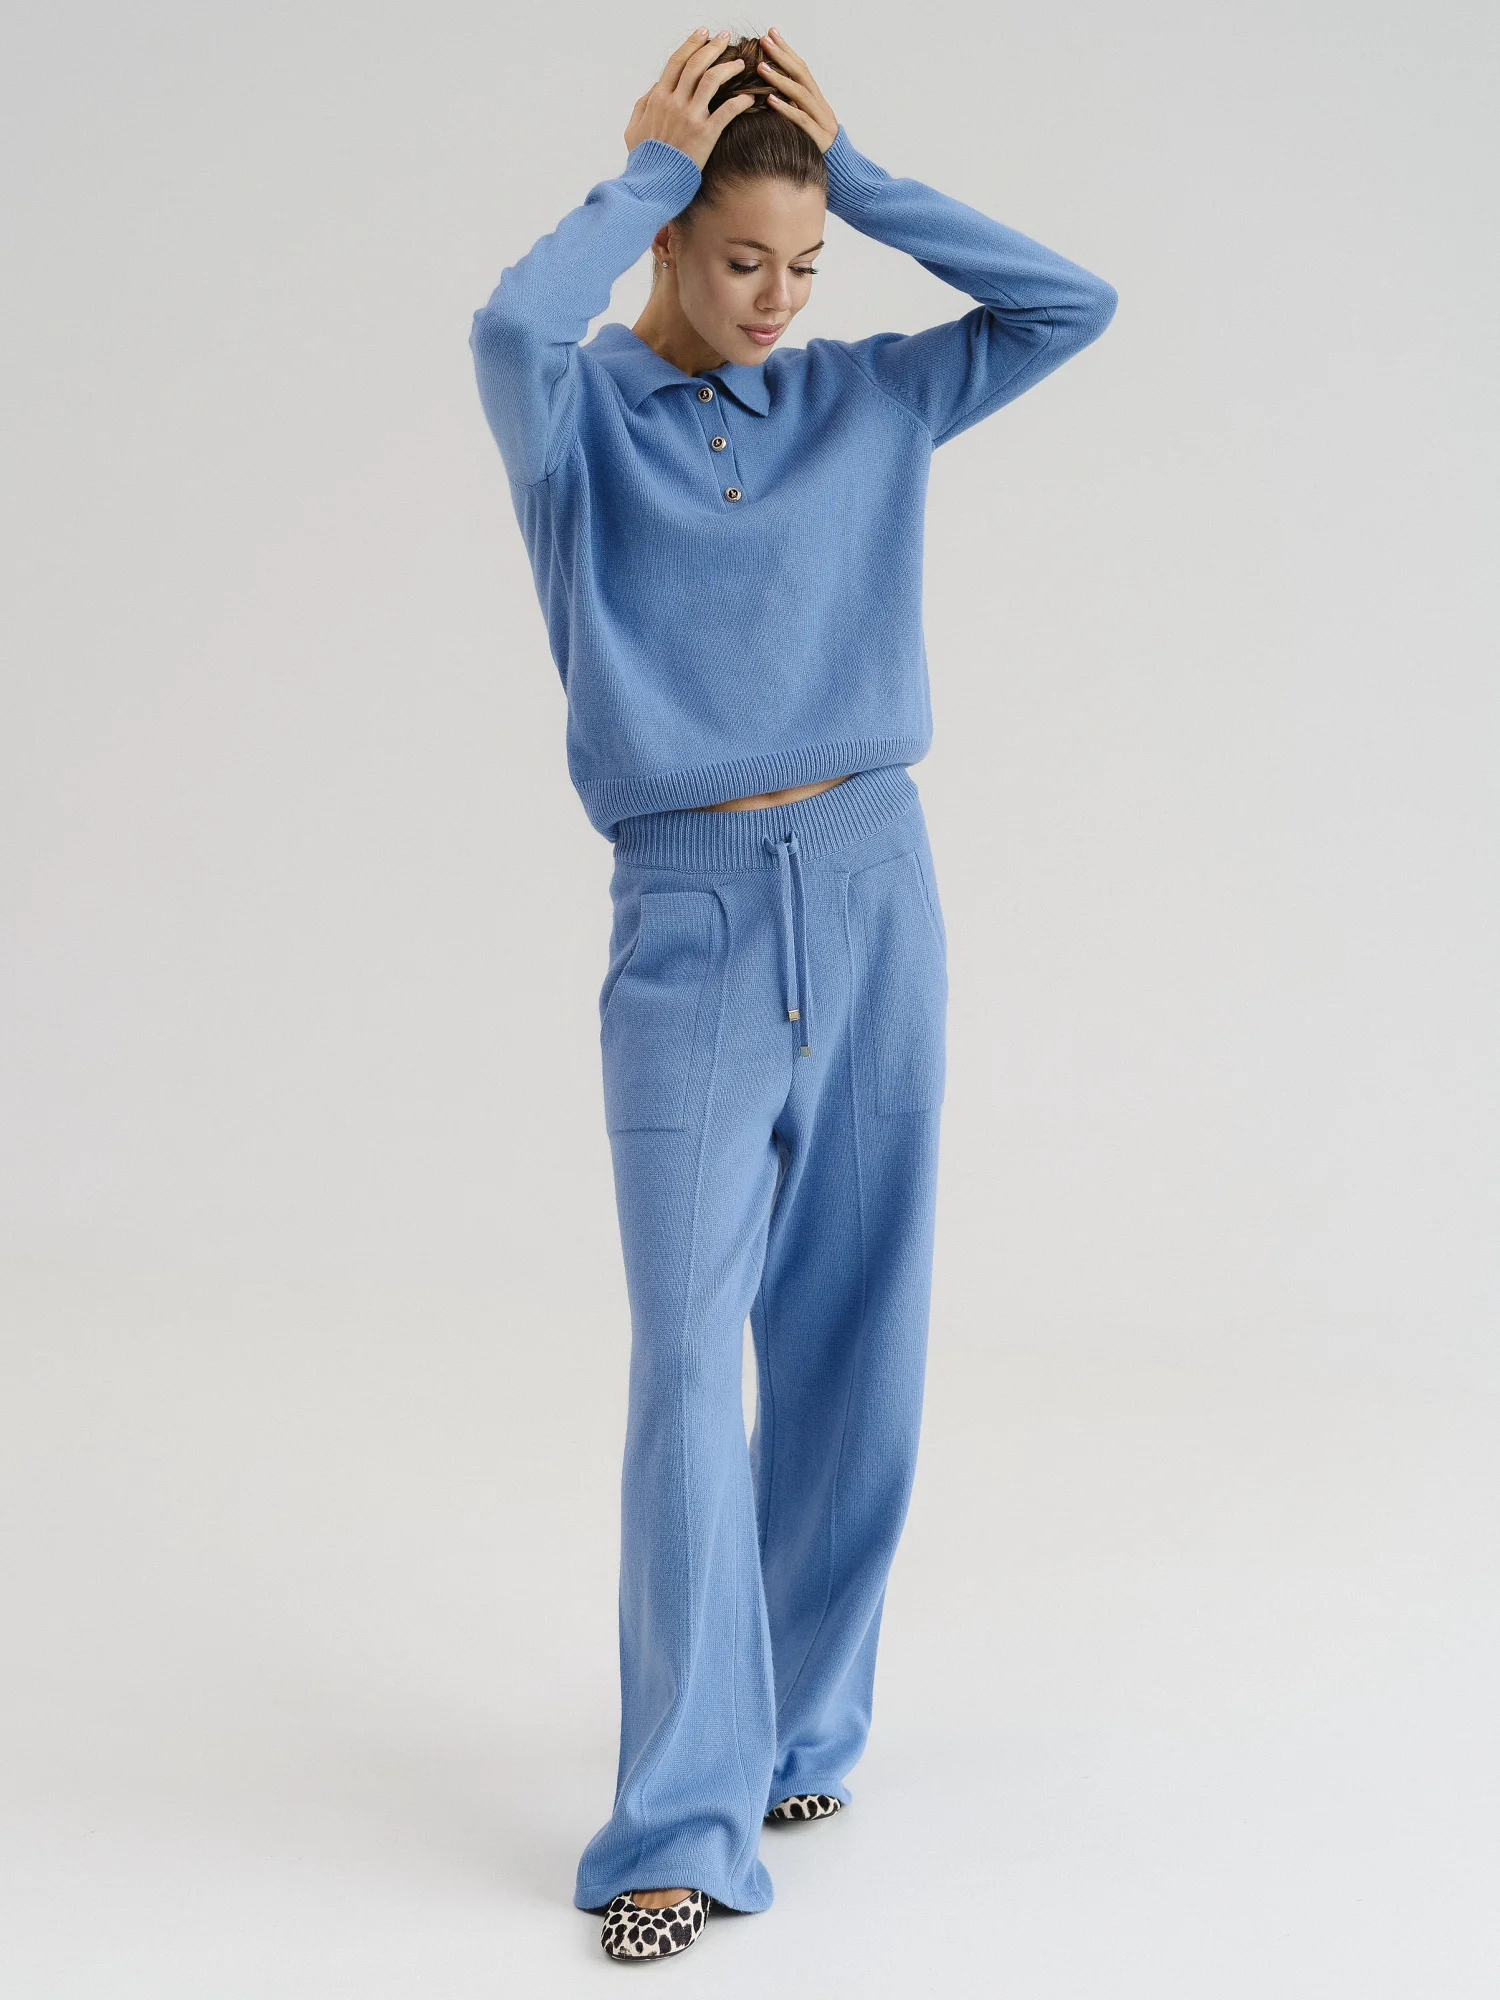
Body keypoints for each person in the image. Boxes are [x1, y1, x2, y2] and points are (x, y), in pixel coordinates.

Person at [469, 25, 1116, 1962]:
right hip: (688, 916)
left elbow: (1069, 305)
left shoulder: (867, 398)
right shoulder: (581, 425)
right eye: (743, 257)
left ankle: (802, 1726)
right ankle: (676, 1823)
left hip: (878, 886)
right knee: (687, 1352)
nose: (777, 300)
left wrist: (866, 174)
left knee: (857, 1330)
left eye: (806, 264)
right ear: (674, 240)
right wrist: (643, 176)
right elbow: (507, 324)